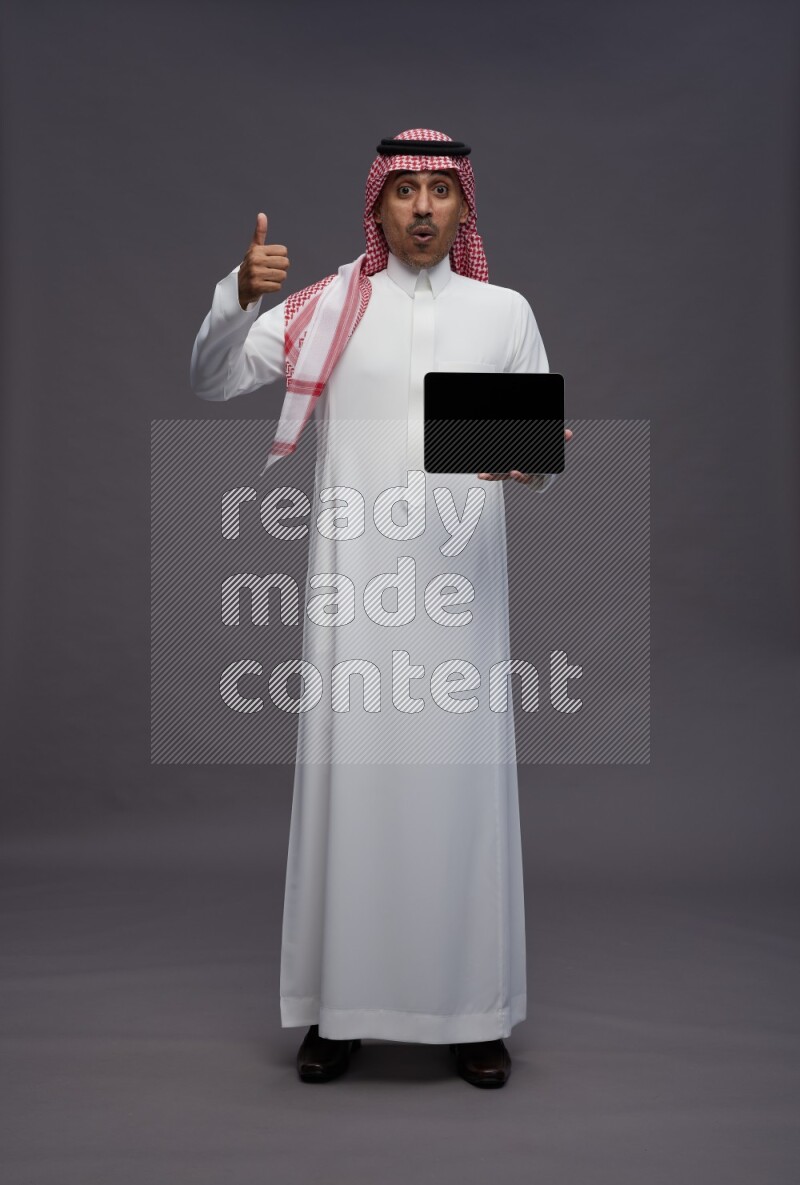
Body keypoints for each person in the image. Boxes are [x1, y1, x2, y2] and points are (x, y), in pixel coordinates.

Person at [190, 128, 571, 1088]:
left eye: (442, 191)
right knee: (350, 794)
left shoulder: (503, 311)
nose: (424, 209)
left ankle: (472, 1013)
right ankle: (338, 1011)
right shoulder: (328, 307)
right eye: (406, 192)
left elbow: (538, 446)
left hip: (460, 597)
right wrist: (238, 297)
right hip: (354, 595)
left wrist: (533, 463)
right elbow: (213, 377)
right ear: (379, 206)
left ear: (465, 208)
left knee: (461, 797)